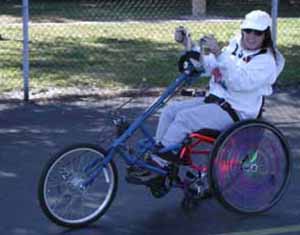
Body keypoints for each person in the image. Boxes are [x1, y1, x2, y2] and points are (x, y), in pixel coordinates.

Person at [127, 10, 285, 183]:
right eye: (248, 30)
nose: (251, 36)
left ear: (266, 35)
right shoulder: (235, 47)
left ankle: (160, 164)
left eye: (258, 32)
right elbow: (210, 65)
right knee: (170, 111)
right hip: (215, 102)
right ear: (243, 30)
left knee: (184, 118)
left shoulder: (266, 62)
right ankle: (159, 158)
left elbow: (239, 82)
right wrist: (188, 43)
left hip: (236, 112)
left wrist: (219, 53)